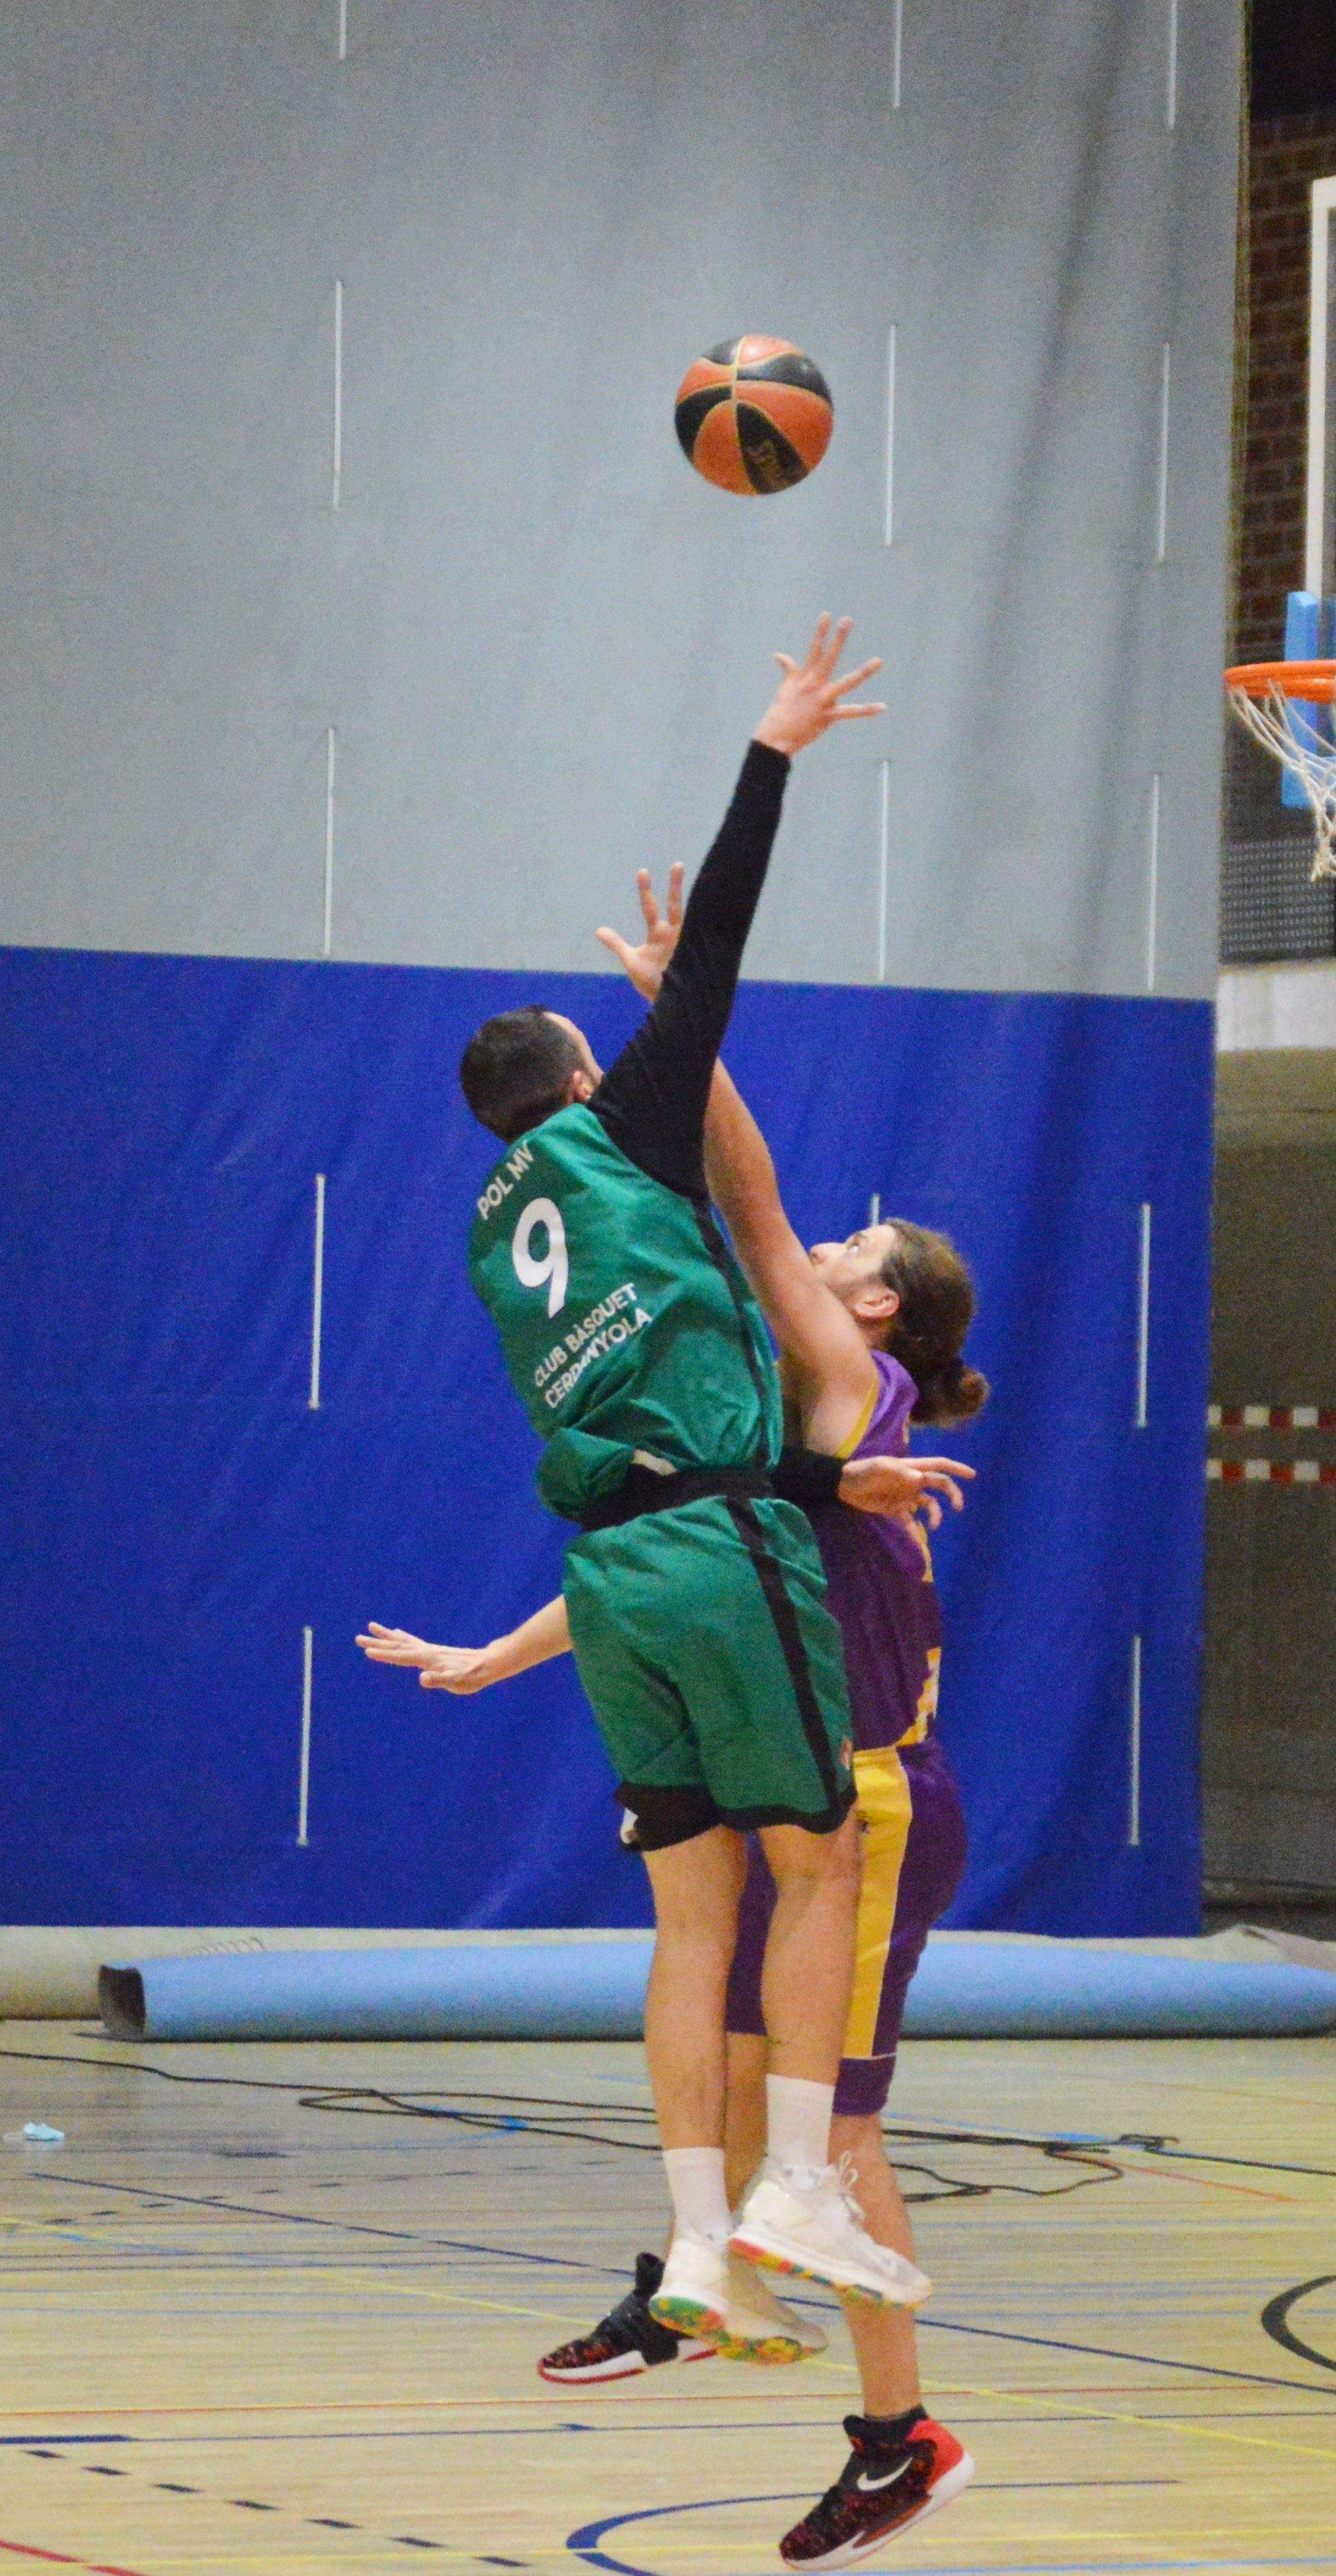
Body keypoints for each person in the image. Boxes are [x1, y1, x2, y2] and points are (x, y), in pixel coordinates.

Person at [376, 861, 987, 2567]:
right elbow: (650, 1544)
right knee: (715, 2068)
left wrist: (672, 1025)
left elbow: (756, 1194)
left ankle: (898, 2433)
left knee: (839, 2128)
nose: (833, 1253)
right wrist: (486, 1664)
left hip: (872, 1793)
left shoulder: (842, 1377)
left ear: (883, 1312)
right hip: (808, 1753)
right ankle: (686, 2274)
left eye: (867, 1255)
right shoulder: (762, 1429)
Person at [449, 615, 919, 2338]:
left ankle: (698, 2247)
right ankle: (796, 2177)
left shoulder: (497, 1233)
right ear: (586, 1080)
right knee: (817, 1865)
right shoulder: (618, 1124)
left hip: (608, 1571)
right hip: (718, 1550)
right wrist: (771, 747)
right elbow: (718, 942)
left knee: (683, 1913)